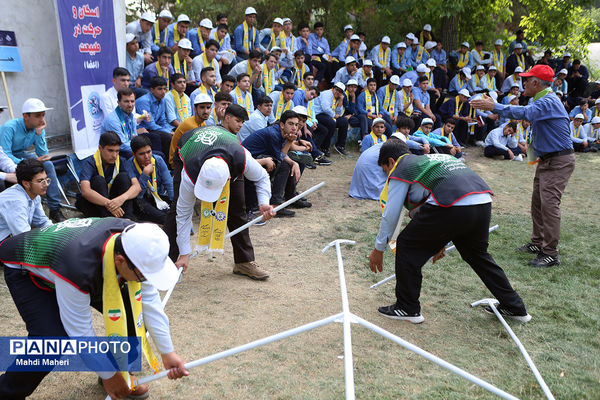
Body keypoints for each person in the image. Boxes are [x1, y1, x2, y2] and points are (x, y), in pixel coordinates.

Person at [0, 218, 188, 399]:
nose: (146, 281)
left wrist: (167, 351)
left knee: (134, 314)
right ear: (120, 261)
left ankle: (122, 374)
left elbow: (149, 302)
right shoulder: (79, 266)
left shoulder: (137, 241)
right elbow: (80, 332)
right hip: (28, 268)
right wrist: (109, 376)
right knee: (51, 340)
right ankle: (8, 393)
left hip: (81, 264)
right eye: (144, 276)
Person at [368, 140, 531, 324]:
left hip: (452, 204)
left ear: (390, 162)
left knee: (406, 245)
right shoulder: (434, 159)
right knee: (477, 255)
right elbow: (429, 210)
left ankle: (407, 307)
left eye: (385, 170)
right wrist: (439, 241)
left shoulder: (402, 168)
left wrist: (379, 249)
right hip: (482, 201)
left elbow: (391, 213)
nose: (387, 176)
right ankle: (514, 306)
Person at [470, 64, 575, 268]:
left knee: (549, 205)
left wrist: (494, 107)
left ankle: (550, 254)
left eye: (526, 79)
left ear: (536, 82)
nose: (523, 82)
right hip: (548, 160)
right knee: (538, 203)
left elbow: (524, 113)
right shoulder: (544, 99)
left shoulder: (548, 101)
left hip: (558, 161)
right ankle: (538, 243)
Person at [164, 105, 275, 281]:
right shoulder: (189, 172)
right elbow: (184, 214)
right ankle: (167, 262)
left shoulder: (241, 156)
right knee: (177, 208)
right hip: (188, 148)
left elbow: (262, 177)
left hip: (225, 155)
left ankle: (244, 262)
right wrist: (185, 252)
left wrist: (263, 202)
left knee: (238, 206)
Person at [0, 98, 65, 222]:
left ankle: (55, 209)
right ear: (26, 116)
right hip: (6, 159)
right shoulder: (10, 127)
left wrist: (39, 133)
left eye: (43, 115)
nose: (41, 119)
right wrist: (27, 164)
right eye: (37, 116)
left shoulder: (37, 128)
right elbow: (5, 154)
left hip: (19, 156)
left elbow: (44, 154)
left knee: (48, 165)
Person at [242, 110, 303, 217]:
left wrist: (294, 163)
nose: (294, 128)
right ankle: (274, 204)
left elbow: (281, 153)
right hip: (247, 163)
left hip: (259, 159)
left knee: (289, 164)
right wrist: (289, 142)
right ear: (282, 125)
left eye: (296, 125)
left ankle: (289, 198)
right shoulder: (273, 134)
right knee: (281, 165)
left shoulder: (282, 132)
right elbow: (279, 157)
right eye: (291, 124)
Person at [76, 131, 141, 219]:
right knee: (98, 180)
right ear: (100, 148)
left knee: (124, 177)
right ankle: (108, 220)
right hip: (96, 205)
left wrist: (121, 199)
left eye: (117, 151)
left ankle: (127, 219)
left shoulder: (122, 161)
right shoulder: (90, 162)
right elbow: (85, 191)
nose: (114, 155)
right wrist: (109, 204)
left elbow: (137, 187)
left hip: (115, 204)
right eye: (110, 151)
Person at [0, 159, 52, 241]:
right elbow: (24, 237)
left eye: (46, 179)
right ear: (26, 184)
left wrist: (58, 234)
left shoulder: (34, 195)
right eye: (40, 181)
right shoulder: (16, 201)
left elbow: (42, 222)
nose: (46, 184)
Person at [128, 135, 173, 224]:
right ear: (134, 154)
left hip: (157, 196)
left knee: (174, 211)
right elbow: (138, 195)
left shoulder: (158, 160)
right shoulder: (129, 165)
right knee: (163, 217)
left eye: (149, 152)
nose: (146, 156)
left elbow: (169, 185)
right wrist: (145, 175)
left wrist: (175, 205)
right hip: (142, 201)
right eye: (141, 154)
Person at [169, 93, 214, 166]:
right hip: (178, 164)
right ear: (195, 109)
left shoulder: (202, 123)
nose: (206, 111)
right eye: (202, 107)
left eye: (208, 108)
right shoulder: (190, 125)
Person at [100, 88, 147, 159]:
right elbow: (121, 144)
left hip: (129, 149)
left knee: (155, 153)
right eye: (126, 101)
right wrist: (141, 150)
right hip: (115, 152)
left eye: (132, 101)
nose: (130, 105)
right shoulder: (112, 120)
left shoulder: (131, 115)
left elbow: (135, 138)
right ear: (118, 103)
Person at [136, 76, 173, 158]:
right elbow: (150, 124)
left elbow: (163, 120)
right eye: (160, 89)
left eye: (165, 89)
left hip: (154, 128)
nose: (163, 92)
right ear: (152, 90)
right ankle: (166, 164)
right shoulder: (144, 101)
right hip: (143, 129)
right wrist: (168, 132)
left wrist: (169, 130)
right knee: (167, 136)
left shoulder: (162, 100)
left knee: (174, 132)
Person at [313, 82, 349, 155]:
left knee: (344, 121)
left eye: (340, 91)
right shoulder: (327, 94)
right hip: (319, 114)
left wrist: (341, 100)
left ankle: (340, 146)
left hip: (328, 115)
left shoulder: (338, 98)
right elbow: (325, 108)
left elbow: (339, 112)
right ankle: (325, 147)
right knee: (331, 123)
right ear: (333, 88)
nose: (338, 92)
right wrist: (334, 115)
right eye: (337, 90)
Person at [125, 33, 148, 98]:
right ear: (126, 46)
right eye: (133, 44)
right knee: (145, 93)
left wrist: (139, 79)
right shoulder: (123, 56)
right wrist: (126, 81)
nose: (136, 45)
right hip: (127, 84)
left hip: (137, 83)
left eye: (136, 43)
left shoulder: (141, 56)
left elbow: (141, 71)